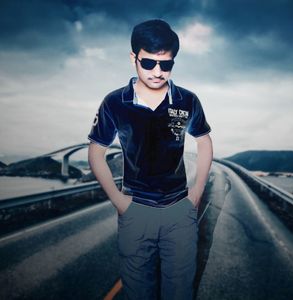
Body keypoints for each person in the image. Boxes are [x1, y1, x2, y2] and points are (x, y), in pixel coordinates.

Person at [88, 19, 213, 300]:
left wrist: (197, 192)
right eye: (148, 63)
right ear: (134, 57)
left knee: (180, 292)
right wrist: (119, 202)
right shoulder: (115, 102)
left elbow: (204, 142)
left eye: (166, 65)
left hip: (178, 210)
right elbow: (96, 151)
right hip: (136, 209)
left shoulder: (187, 100)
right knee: (138, 293)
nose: (158, 72)